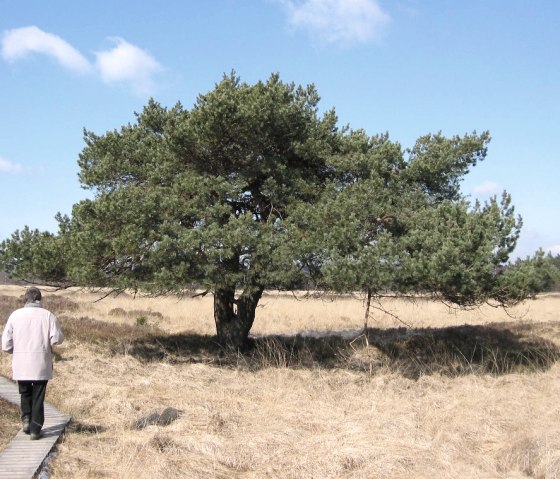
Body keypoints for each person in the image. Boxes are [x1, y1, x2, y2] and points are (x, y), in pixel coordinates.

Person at [1, 287, 64, 440]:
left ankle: (26, 420)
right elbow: (57, 339)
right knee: (38, 395)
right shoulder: (48, 315)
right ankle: (36, 429)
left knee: (24, 392)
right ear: (39, 299)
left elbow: (6, 343)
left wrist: (12, 350)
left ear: (26, 299)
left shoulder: (15, 315)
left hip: (21, 362)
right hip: (41, 362)